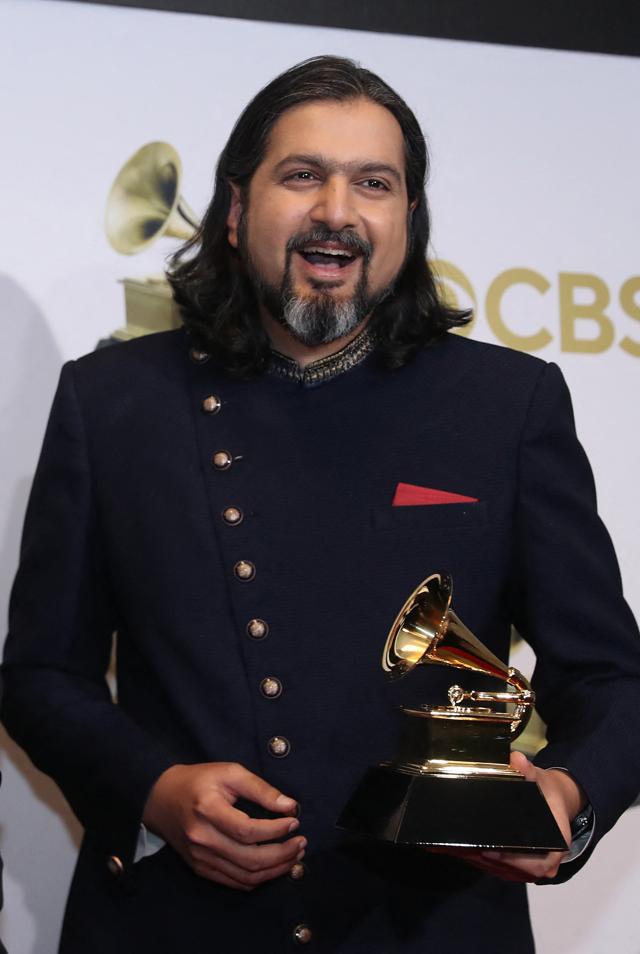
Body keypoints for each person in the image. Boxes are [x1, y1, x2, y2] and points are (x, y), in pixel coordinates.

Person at [3, 56, 640, 953]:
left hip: (429, 928)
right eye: (302, 175)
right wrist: (154, 790)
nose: (337, 211)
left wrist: (566, 797)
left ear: (408, 219)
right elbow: (40, 676)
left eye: (373, 183)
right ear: (236, 210)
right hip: (176, 925)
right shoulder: (111, 403)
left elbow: (612, 680)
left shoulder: (508, 405)